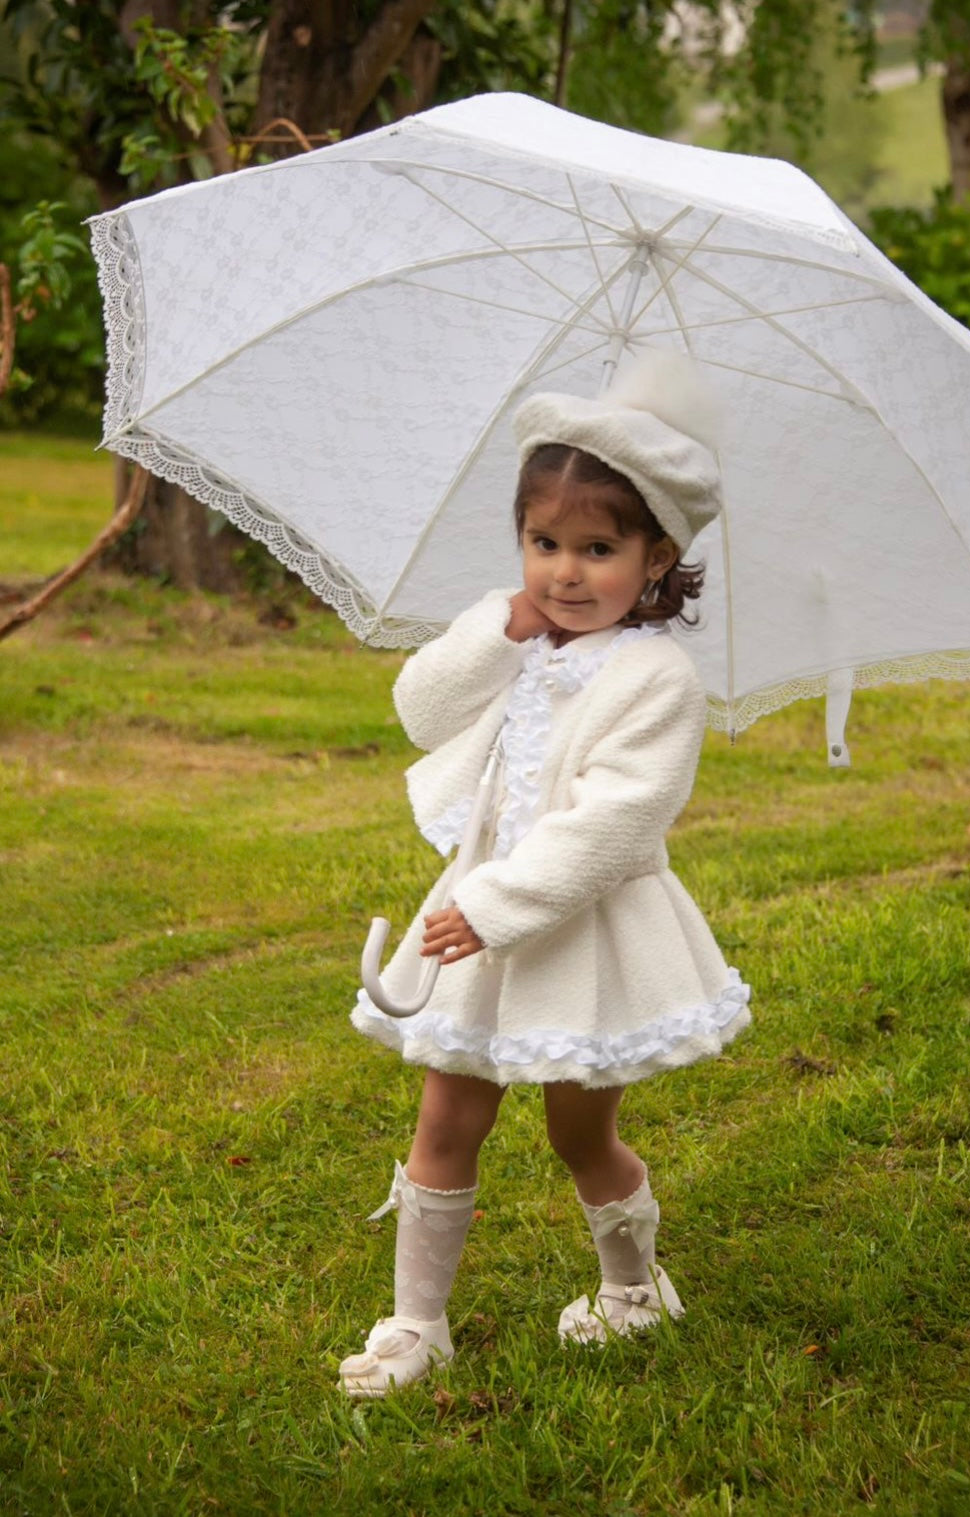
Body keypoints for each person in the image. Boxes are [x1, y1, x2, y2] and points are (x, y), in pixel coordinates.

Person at [339, 354, 751, 1399]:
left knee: (579, 1126)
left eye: (598, 549)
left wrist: (492, 906)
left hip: (577, 933)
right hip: (472, 924)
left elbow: (616, 821)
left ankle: (632, 1286)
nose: (565, 573)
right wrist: (494, 633)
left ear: (657, 557)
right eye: (543, 543)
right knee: (447, 1113)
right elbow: (422, 710)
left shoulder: (655, 677)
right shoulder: (514, 631)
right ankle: (416, 1322)